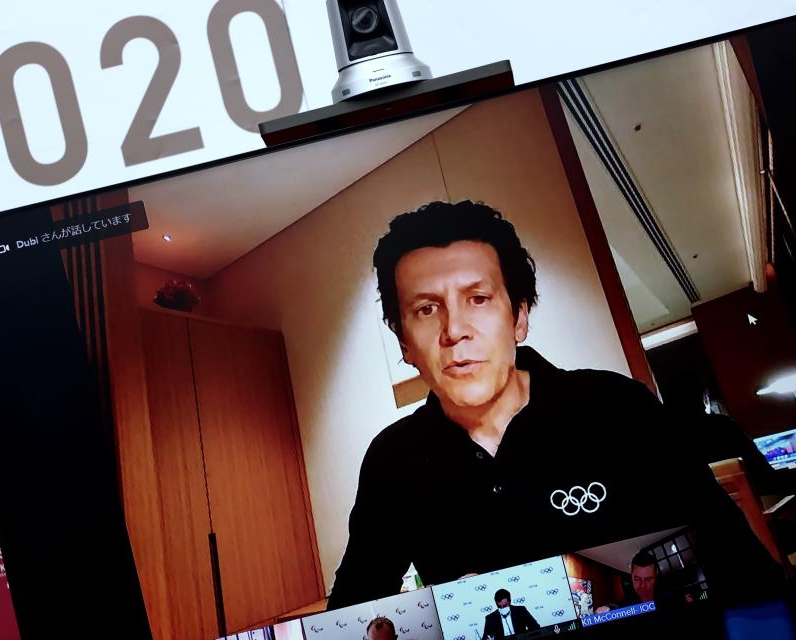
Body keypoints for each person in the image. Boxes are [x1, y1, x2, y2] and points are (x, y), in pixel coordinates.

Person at [326, 201, 784, 610]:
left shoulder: (616, 407)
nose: (455, 330)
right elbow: (354, 611)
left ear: (519, 318)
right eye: (427, 309)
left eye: (478, 299)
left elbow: (743, 570)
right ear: (405, 342)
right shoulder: (394, 460)